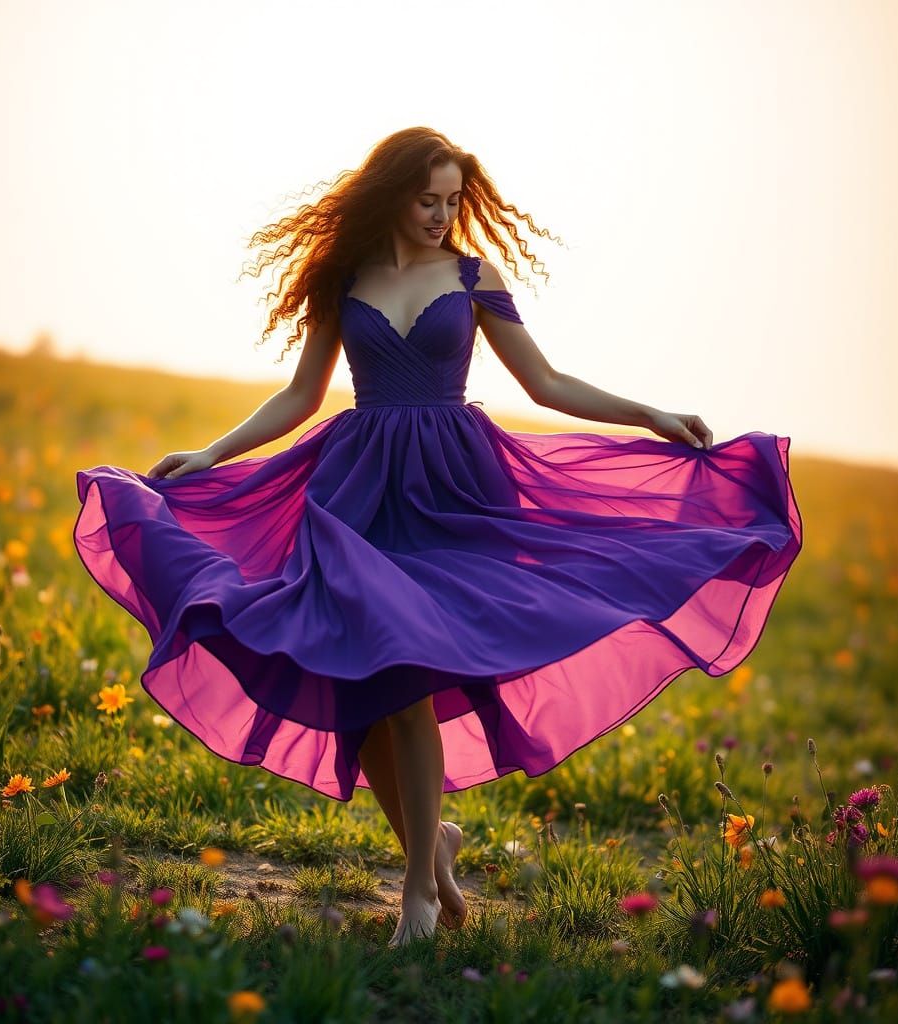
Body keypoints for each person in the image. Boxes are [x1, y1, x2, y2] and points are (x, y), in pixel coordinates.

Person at [74, 127, 802, 948]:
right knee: (375, 693)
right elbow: (301, 395)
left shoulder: (471, 275)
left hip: (454, 491)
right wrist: (214, 451)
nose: (443, 214)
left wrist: (649, 414)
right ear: (391, 193)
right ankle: (434, 846)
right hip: (356, 495)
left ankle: (419, 887)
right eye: (429, 199)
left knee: (409, 680)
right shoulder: (345, 279)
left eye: (454, 200)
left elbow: (546, 380)